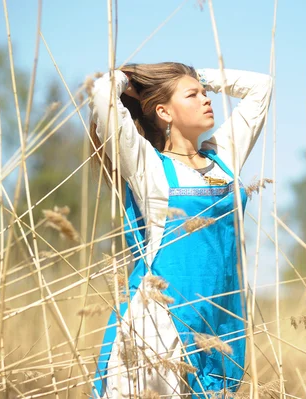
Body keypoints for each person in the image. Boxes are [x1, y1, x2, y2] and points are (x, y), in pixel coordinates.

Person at [88, 62, 272, 398]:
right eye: (194, 95)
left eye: (205, 93)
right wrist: (132, 80)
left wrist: (198, 77)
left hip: (219, 321)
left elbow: (262, 86)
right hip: (159, 325)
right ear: (164, 112)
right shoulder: (149, 166)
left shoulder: (222, 159)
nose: (207, 99)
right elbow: (102, 94)